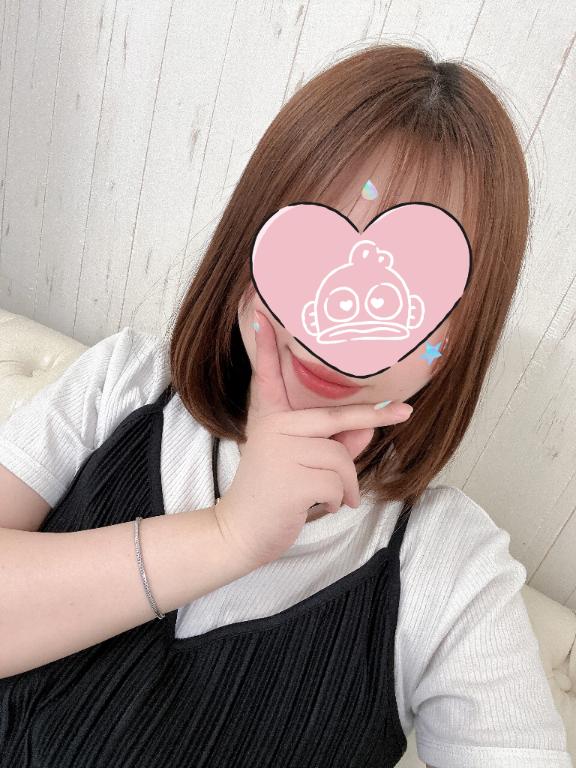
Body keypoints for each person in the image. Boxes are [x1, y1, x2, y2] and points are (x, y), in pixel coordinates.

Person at [0, 44, 571, 768]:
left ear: (462, 334)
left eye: (415, 287)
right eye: (311, 252)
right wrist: (227, 535)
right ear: (249, 245)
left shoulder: (449, 568)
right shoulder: (122, 384)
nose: (336, 330)